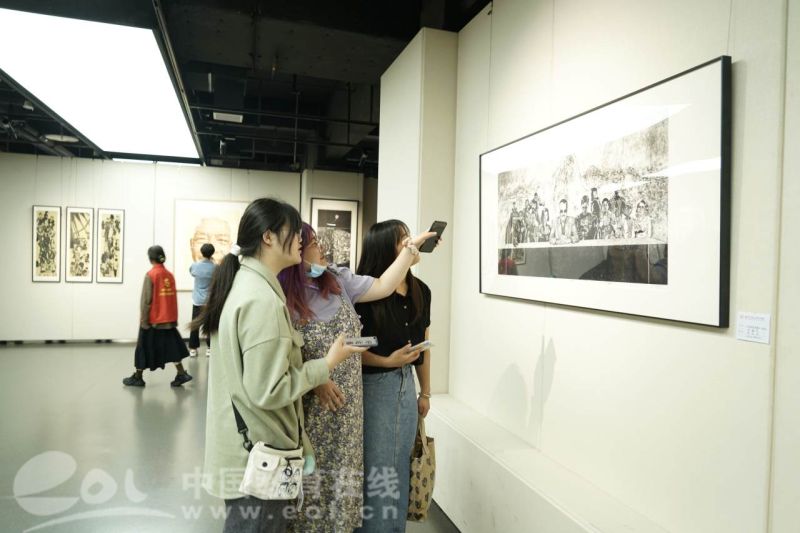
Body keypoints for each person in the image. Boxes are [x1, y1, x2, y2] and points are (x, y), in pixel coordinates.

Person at [194, 198, 367, 533]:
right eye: (294, 230)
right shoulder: (262, 301)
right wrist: (327, 363)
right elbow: (269, 390)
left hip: (246, 453)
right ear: (268, 237)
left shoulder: (245, 285)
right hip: (260, 458)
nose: (301, 239)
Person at [277, 222, 436, 532]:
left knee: (351, 479)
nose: (321, 247)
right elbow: (286, 356)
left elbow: (380, 291)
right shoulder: (283, 296)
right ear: (295, 251)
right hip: (316, 405)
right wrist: (321, 375)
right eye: (312, 243)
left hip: (351, 403)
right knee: (317, 483)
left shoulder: (337, 279)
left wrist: (409, 251)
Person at [354, 220, 433, 533]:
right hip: (373, 387)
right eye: (402, 239)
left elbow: (424, 345)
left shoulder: (421, 290)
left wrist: (425, 392)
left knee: (399, 467)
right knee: (376, 469)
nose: (409, 243)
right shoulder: (365, 292)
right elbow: (351, 348)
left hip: (406, 386)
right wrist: (386, 361)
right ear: (384, 248)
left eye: (409, 236)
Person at [123, 246, 192, 387]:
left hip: (153, 320)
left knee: (142, 348)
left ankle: (138, 377)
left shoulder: (151, 275)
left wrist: (144, 321)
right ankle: (181, 373)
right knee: (173, 348)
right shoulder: (169, 275)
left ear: (150, 259)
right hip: (168, 320)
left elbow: (146, 301)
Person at [189, 243, 216, 357]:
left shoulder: (195, 266)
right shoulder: (216, 268)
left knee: (195, 325)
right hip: (209, 301)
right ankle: (209, 348)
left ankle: (193, 349)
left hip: (197, 300)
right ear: (212, 253)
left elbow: (192, 272)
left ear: (201, 252)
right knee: (209, 324)